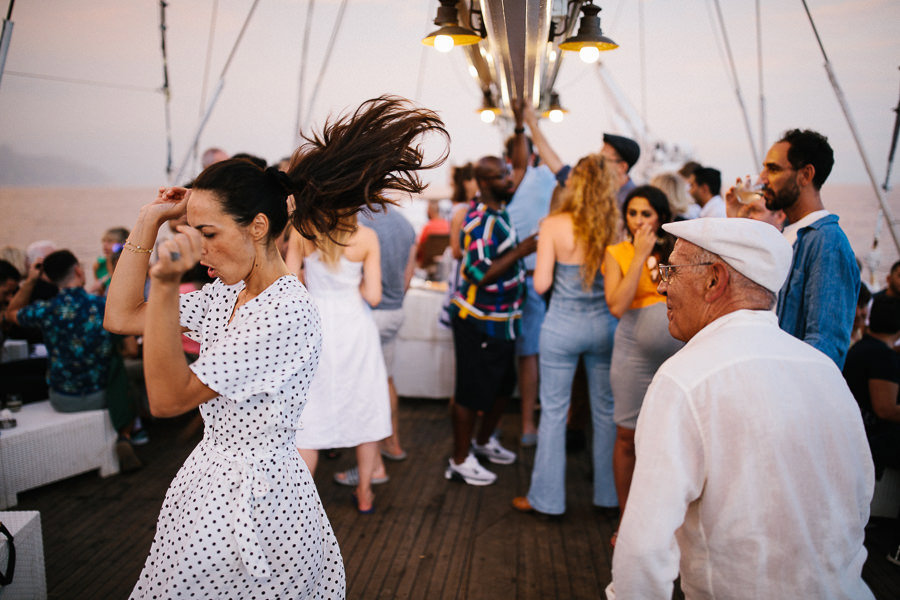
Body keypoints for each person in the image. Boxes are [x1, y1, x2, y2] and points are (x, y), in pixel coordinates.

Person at [103, 95, 448, 598]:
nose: (201, 251)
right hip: (209, 479)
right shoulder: (226, 292)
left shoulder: (284, 310)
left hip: (256, 495)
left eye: (209, 233)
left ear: (258, 226)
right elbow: (121, 316)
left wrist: (165, 281)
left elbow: (168, 399)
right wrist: (149, 219)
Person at [608, 218, 875, 599]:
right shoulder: (824, 371)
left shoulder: (685, 379)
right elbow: (859, 498)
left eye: (670, 270)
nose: (662, 285)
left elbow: (645, 547)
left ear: (715, 280)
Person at [511, 153, 619, 516]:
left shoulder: (554, 224)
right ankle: (608, 495)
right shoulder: (613, 227)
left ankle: (547, 499)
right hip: (604, 327)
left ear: (574, 184)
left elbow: (540, 284)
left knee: (554, 413)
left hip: (561, 327)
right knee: (604, 412)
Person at [291, 209, 391, 515]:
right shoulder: (367, 238)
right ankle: (364, 493)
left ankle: (300, 503)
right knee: (364, 403)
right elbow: (374, 295)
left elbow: (290, 286)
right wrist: (352, 286)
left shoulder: (302, 232)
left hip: (314, 326)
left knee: (310, 410)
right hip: (354, 327)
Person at [445, 155, 537, 486]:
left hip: (503, 320)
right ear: (484, 183)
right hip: (478, 320)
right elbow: (476, 272)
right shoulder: (480, 222)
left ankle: (482, 443)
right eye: (501, 176)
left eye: (509, 173)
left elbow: (521, 160)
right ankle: (459, 459)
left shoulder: (499, 212)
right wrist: (521, 251)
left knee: (502, 386)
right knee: (470, 392)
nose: (509, 180)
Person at [5, 249, 141, 469]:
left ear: (48, 278)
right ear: (78, 270)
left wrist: (30, 281)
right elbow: (132, 349)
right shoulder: (102, 306)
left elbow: (11, 313)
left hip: (63, 399)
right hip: (102, 396)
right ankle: (127, 433)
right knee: (118, 366)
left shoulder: (47, 309)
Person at [602, 185, 683, 540]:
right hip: (633, 355)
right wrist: (639, 256)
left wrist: (659, 258)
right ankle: (626, 519)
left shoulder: (672, 255)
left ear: (661, 217)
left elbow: (671, 297)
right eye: (632, 213)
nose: (637, 220)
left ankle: (666, 522)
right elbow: (617, 305)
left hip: (674, 358)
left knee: (669, 440)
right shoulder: (617, 252)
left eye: (645, 214)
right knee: (626, 436)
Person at [762, 129, 859, 368]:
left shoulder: (826, 241)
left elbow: (825, 345)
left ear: (805, 175)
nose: (762, 177)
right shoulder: (787, 234)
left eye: (773, 169)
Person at [506, 104, 558, 446]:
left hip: (531, 279)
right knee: (503, 353)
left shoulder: (544, 176)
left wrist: (524, 126)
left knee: (529, 354)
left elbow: (527, 157)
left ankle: (528, 423)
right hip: (503, 280)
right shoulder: (502, 181)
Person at [358, 205, 417, 463]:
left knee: (364, 388)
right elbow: (408, 276)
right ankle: (392, 444)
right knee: (387, 380)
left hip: (369, 313)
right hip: (395, 310)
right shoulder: (404, 222)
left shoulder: (357, 221)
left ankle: (373, 468)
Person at [91, 226, 129, 295]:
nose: (105, 245)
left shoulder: (130, 265)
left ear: (122, 244)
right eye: (104, 241)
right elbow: (100, 294)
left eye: (110, 241)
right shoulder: (99, 265)